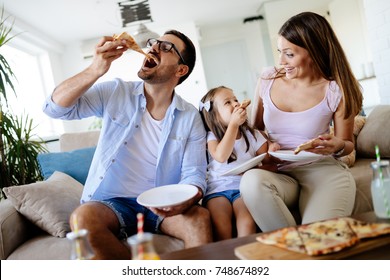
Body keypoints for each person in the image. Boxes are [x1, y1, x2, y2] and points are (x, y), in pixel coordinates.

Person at [43, 30, 212, 259]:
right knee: (82, 218)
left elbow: (194, 172)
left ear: (181, 70)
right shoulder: (116, 92)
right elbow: (54, 108)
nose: (153, 48)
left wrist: (186, 200)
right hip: (111, 203)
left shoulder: (189, 116)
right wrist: (95, 69)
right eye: (154, 43)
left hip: (162, 202)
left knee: (200, 219)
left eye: (165, 48)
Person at [240, 12, 363, 232]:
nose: (281, 61)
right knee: (251, 182)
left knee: (318, 237)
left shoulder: (335, 89)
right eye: (280, 52)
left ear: (314, 51)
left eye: (289, 54)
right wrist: (264, 144)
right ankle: (293, 249)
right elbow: (255, 129)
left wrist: (336, 145)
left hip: (321, 170)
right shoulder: (268, 79)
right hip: (277, 172)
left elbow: (346, 143)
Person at [199, 86, 277, 240]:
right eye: (227, 102)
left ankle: (244, 257)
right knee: (221, 226)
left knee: (247, 223)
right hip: (217, 190)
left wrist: (273, 150)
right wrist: (234, 125)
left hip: (243, 189)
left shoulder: (252, 135)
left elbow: (271, 165)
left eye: (235, 99)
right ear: (214, 116)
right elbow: (221, 156)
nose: (235, 104)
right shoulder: (212, 137)